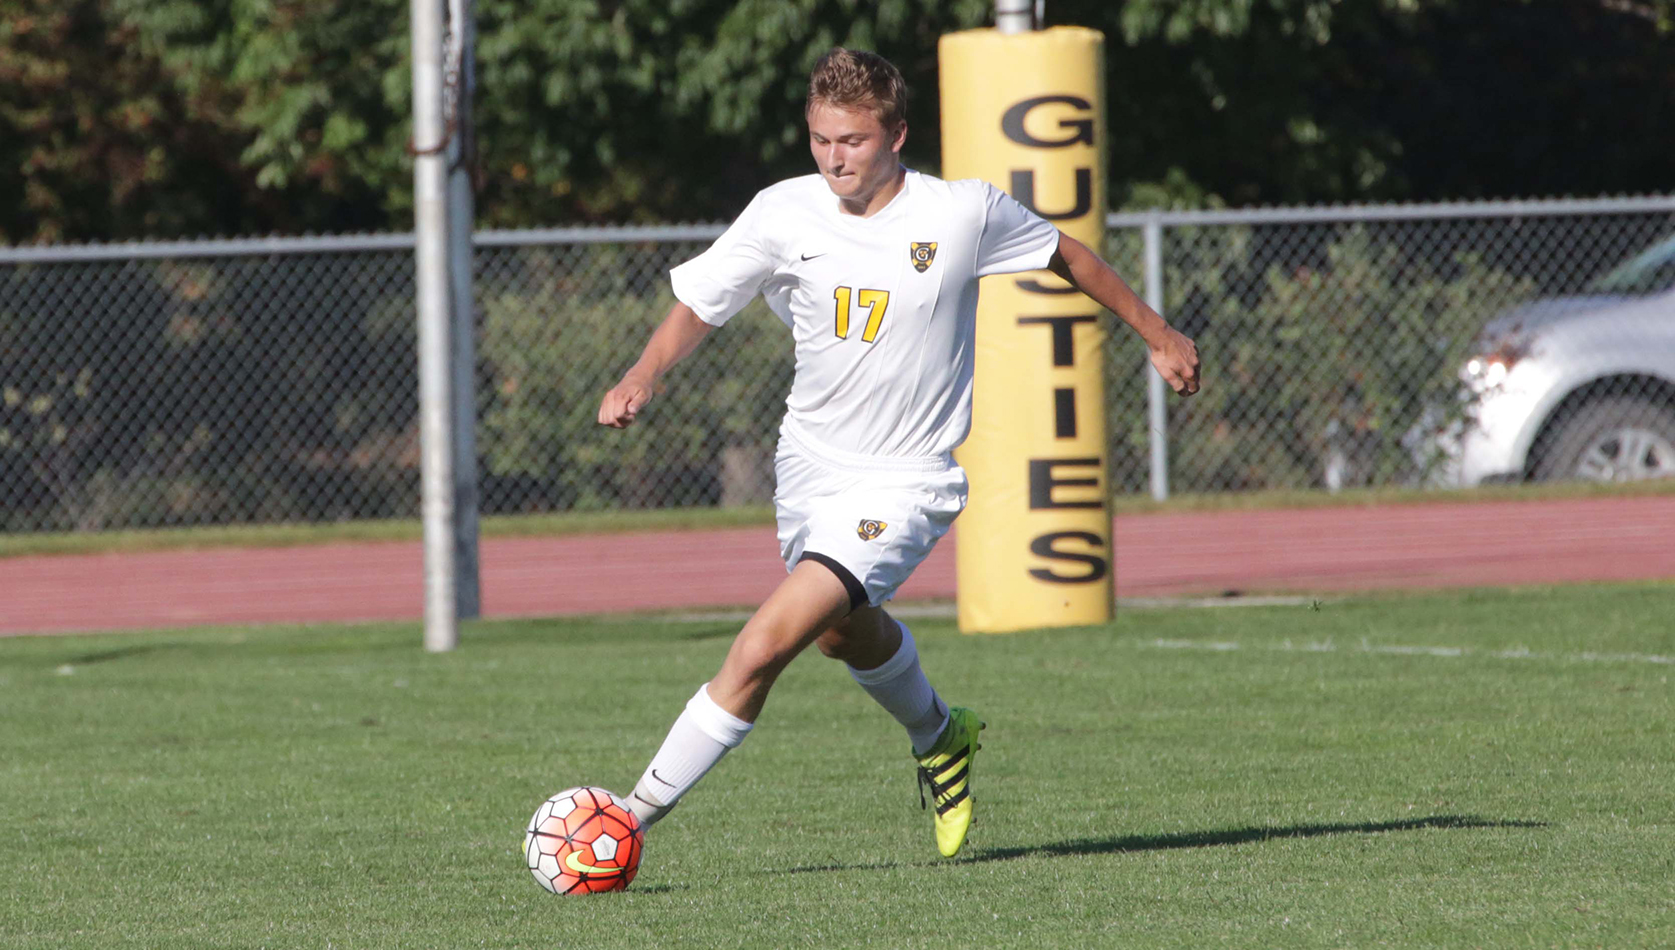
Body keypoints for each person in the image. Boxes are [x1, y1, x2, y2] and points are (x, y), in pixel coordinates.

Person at [597, 47, 1199, 859]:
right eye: (819, 139)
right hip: (809, 468)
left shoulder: (960, 213)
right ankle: (942, 736)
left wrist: (1155, 333)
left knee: (763, 644)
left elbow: (1066, 256)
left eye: (852, 140)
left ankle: (622, 822)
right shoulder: (783, 212)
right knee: (839, 633)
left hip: (906, 481)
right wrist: (642, 372)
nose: (834, 158)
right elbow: (699, 303)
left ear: (896, 135)